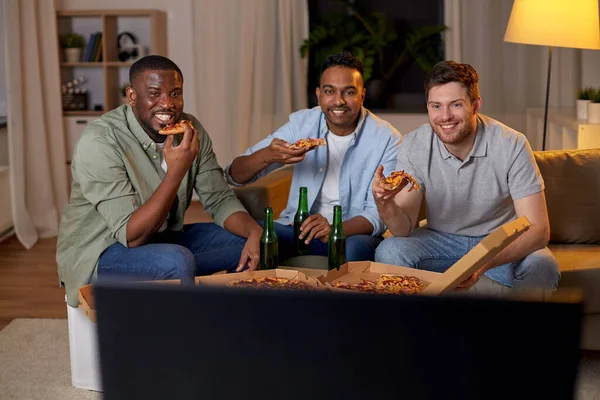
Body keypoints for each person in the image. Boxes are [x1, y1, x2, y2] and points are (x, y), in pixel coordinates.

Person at [57, 55, 263, 307]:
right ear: (132, 96)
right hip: (101, 254)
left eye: (175, 93)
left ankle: (230, 324)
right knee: (176, 261)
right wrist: (176, 171)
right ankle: (180, 340)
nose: (167, 104)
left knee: (259, 239)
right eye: (154, 93)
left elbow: (219, 199)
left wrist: (255, 232)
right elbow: (131, 236)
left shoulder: (190, 128)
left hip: (163, 239)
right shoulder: (100, 141)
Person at [372, 61, 560, 291]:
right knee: (389, 250)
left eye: (456, 105)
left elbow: (539, 230)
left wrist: (482, 263)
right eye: (436, 106)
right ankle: (417, 327)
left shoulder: (512, 144)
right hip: (441, 241)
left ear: (476, 104)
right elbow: (403, 229)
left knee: (542, 265)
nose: (445, 116)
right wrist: (384, 202)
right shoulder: (414, 144)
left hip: (497, 243)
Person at [226, 52, 401, 262]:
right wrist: (268, 156)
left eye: (349, 92)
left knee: (355, 251)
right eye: (330, 91)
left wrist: (334, 228)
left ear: (362, 96)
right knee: (250, 237)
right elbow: (234, 175)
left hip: (352, 234)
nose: (339, 101)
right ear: (319, 95)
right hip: (296, 229)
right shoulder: (302, 125)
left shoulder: (387, 138)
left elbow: (380, 214)